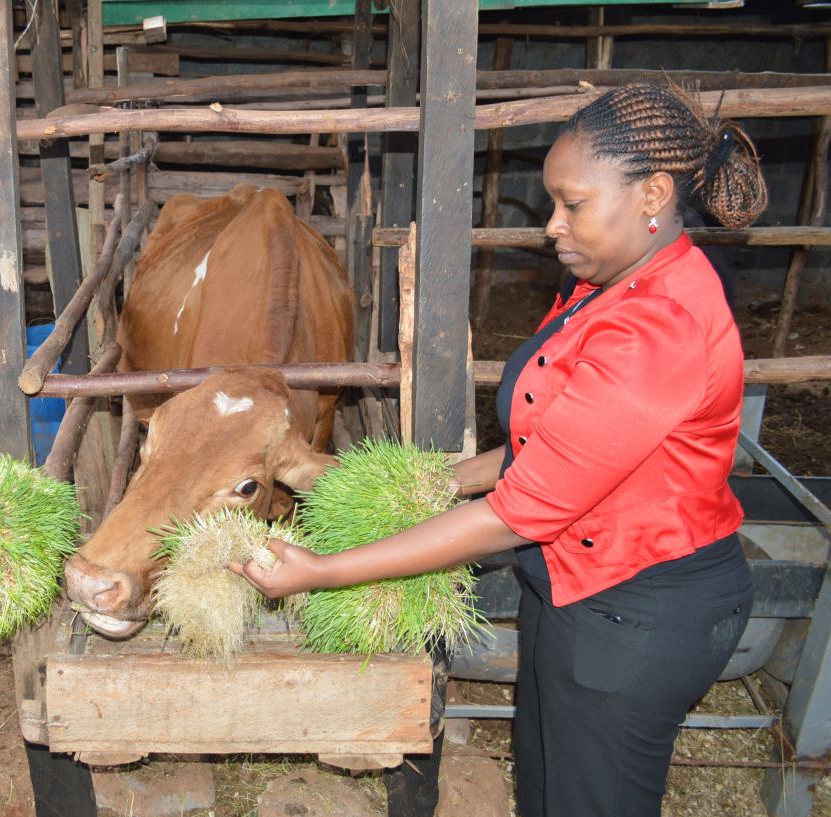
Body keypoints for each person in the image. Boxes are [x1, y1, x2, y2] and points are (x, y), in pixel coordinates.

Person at [233, 83, 768, 817]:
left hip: (640, 610)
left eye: (572, 204)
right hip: (576, 590)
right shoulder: (608, 283)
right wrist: (437, 481)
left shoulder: (658, 326)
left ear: (654, 192)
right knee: (547, 787)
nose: (552, 226)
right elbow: (550, 441)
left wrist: (324, 572)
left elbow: (520, 511)